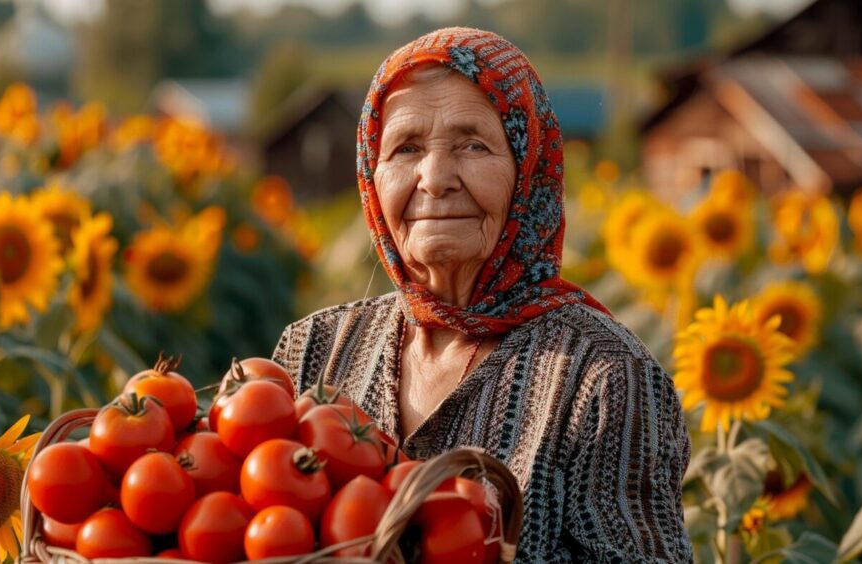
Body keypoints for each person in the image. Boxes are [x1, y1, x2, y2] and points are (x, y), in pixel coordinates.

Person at [272, 27, 692, 562]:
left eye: (472, 143)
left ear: (529, 168)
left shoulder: (605, 379)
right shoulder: (312, 350)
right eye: (406, 147)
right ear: (370, 175)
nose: (435, 177)